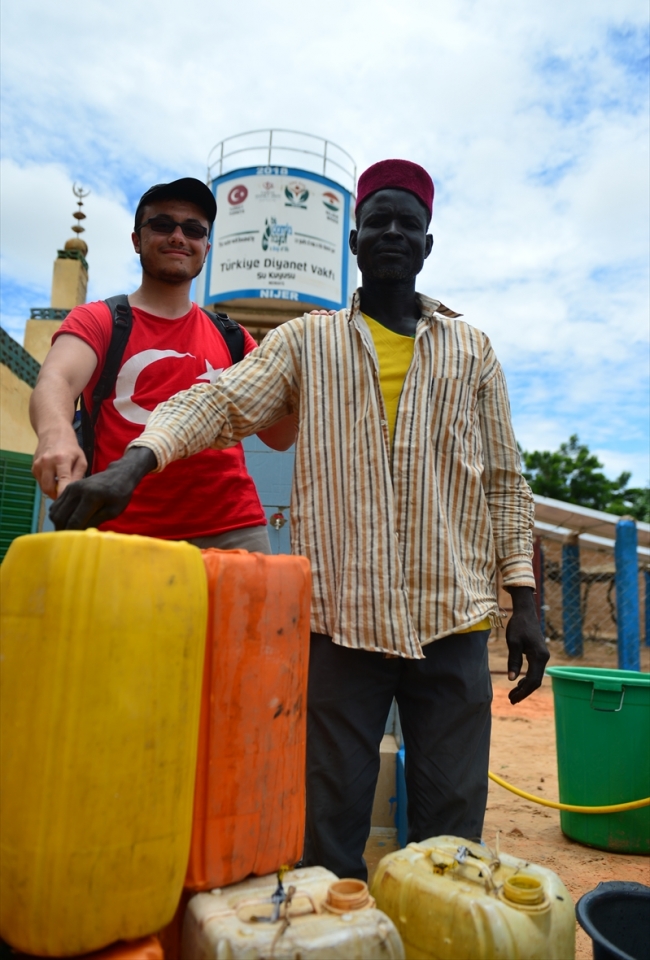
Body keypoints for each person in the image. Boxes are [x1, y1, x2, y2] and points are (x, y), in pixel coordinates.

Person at [49, 160, 549, 879]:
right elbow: (217, 401)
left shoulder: (472, 351)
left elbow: (506, 483)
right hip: (343, 625)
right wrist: (136, 461)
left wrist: (524, 600)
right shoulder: (305, 342)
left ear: (428, 245)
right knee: (327, 831)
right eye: (379, 221)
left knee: (452, 839)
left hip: (454, 627)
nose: (393, 234)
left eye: (408, 224)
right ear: (353, 240)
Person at [31, 177, 296, 552]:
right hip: (120, 530)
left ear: (206, 247)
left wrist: (304, 365)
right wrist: (54, 435)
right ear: (137, 239)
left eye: (193, 229)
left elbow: (279, 436)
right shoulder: (100, 320)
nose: (177, 236)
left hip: (232, 530)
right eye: (162, 224)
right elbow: (55, 379)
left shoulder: (233, 337)